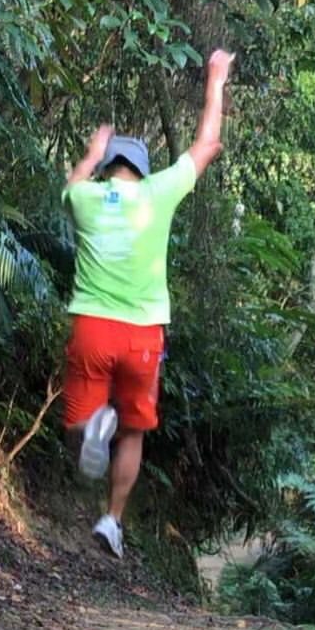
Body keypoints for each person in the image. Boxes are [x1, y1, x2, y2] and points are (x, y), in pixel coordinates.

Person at [61, 49, 235, 558]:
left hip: (92, 327)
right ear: (141, 168)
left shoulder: (85, 199)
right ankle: (112, 520)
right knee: (135, 430)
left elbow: (73, 183)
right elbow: (208, 144)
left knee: (78, 425)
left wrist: (90, 154)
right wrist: (215, 79)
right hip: (142, 336)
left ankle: (93, 427)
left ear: (108, 167)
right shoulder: (158, 194)